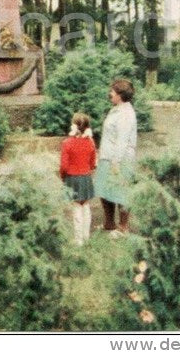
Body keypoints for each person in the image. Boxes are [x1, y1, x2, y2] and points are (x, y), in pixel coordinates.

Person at [93, 79, 137, 235]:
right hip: (108, 157)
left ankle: (123, 227)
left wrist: (116, 163)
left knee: (121, 192)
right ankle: (109, 223)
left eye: (112, 91)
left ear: (121, 95)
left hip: (119, 159)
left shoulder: (126, 114)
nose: (109, 93)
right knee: (105, 190)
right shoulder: (117, 109)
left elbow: (122, 140)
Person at [60, 112, 97, 246]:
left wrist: (63, 177)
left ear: (73, 126)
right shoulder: (90, 142)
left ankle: (78, 240)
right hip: (86, 177)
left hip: (72, 178)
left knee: (76, 207)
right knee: (86, 206)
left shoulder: (67, 143)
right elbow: (93, 163)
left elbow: (64, 166)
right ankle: (86, 237)